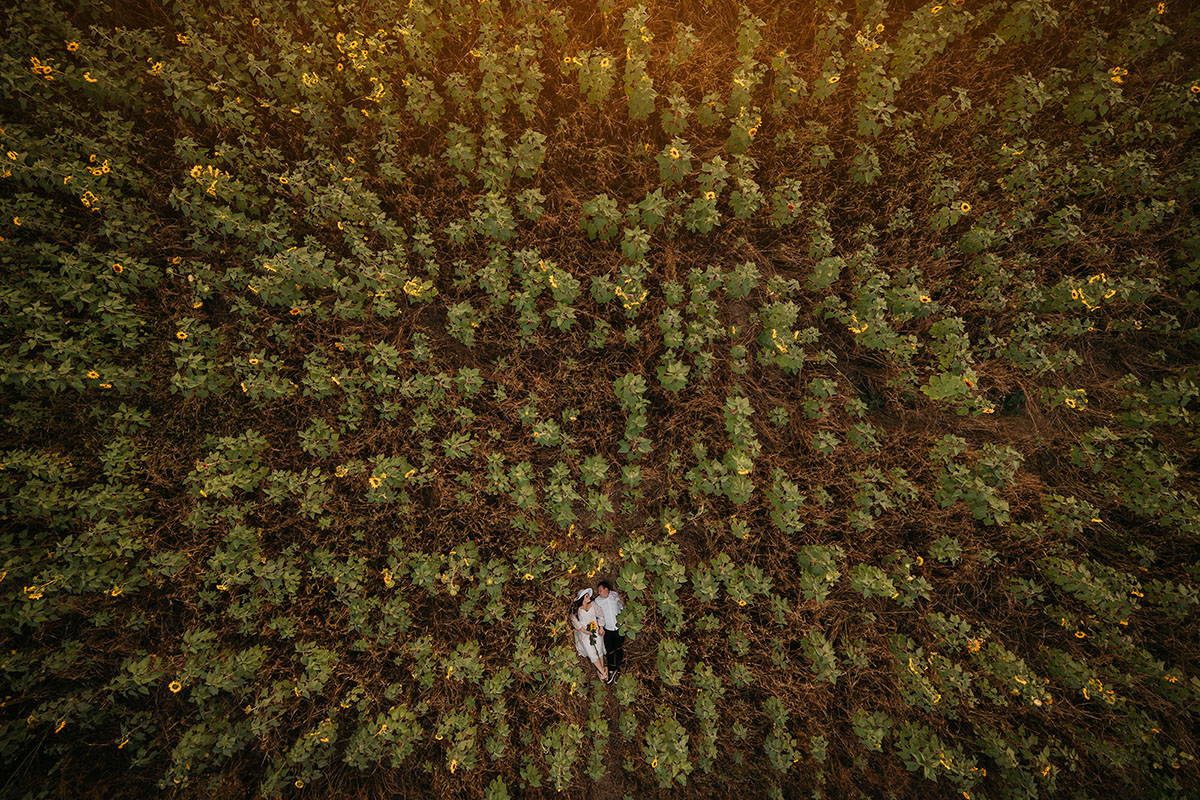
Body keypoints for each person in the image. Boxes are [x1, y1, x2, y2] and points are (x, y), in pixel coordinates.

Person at [568, 588, 609, 683]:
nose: (589, 597)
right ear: (582, 598)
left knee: (599, 650)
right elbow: (574, 621)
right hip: (584, 633)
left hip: (595, 630)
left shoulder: (593, 604)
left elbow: (600, 615)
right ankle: (603, 672)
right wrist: (584, 631)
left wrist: (601, 627)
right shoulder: (577, 610)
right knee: (591, 653)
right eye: (586, 596)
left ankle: (602, 670)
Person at [593, 580, 625, 682]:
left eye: (600, 590)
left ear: (606, 590)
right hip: (607, 629)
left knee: (619, 648)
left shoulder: (615, 595)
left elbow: (622, 607)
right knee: (609, 650)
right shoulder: (597, 601)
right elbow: (597, 615)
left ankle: (619, 670)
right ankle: (611, 670)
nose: (599, 593)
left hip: (619, 628)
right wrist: (601, 627)